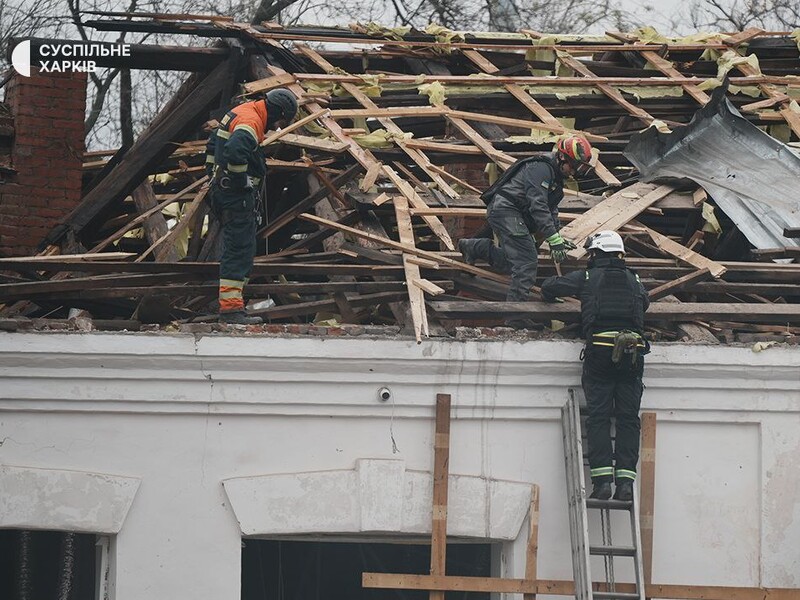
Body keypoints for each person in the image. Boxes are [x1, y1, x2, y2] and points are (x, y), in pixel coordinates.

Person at [540, 230, 650, 501]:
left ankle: (602, 483)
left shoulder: (587, 277)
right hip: (632, 355)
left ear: (597, 253)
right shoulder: (635, 280)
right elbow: (644, 305)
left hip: (600, 353)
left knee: (599, 417)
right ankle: (625, 483)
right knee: (627, 419)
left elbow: (550, 287)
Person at [457, 136, 594, 328]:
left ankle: (474, 247)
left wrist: (557, 235)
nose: (574, 171)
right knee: (527, 261)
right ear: (563, 158)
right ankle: (515, 317)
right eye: (573, 166)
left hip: (515, 214)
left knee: (509, 263)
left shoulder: (555, 177)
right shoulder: (540, 168)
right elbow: (537, 204)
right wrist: (552, 237)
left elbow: (550, 209)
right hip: (506, 210)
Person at [204, 89, 298, 324]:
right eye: (281, 121)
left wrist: (213, 178)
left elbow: (212, 144)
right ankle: (231, 310)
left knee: (240, 248)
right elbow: (236, 152)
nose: (277, 127)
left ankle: (232, 306)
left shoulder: (240, 111)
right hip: (236, 197)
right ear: (278, 110)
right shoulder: (251, 121)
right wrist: (240, 183)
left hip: (225, 194)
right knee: (239, 250)